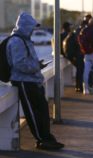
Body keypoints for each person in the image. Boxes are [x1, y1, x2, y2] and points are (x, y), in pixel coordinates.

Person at [6, 12, 64, 150]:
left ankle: (46, 137)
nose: (33, 30)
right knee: (33, 113)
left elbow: (26, 62)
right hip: (23, 82)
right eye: (31, 27)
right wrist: (36, 66)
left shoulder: (24, 40)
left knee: (42, 110)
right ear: (25, 26)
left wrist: (37, 65)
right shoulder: (16, 41)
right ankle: (42, 140)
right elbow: (19, 64)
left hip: (32, 80)